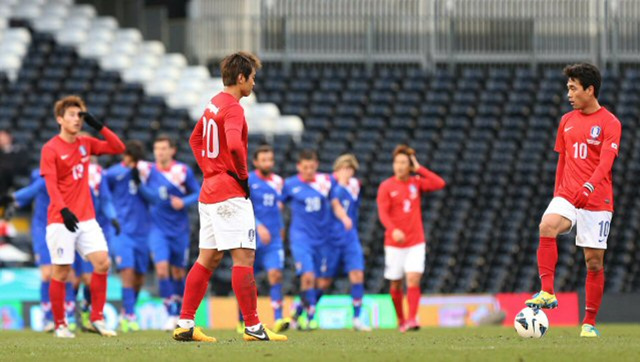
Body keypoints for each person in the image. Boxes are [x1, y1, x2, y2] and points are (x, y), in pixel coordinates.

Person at [172, 51, 287, 342]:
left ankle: (185, 323)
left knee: (207, 259)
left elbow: (194, 139)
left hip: (209, 190)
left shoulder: (214, 103)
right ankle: (252, 326)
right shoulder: (234, 108)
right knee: (244, 256)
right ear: (240, 78)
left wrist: (210, 167)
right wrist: (242, 175)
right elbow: (235, 145)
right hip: (228, 191)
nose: (253, 84)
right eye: (252, 78)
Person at [525, 63, 621, 338]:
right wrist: (558, 193)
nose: (568, 94)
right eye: (568, 88)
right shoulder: (566, 120)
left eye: (573, 88)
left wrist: (590, 186)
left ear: (589, 90)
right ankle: (547, 291)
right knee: (547, 226)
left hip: (597, 199)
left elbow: (606, 161)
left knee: (593, 263)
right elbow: (562, 160)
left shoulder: (610, 122)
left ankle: (588, 323)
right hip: (568, 194)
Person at [39, 95, 125, 338]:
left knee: (102, 263)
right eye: (72, 115)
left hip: (86, 218)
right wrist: (63, 209)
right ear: (60, 119)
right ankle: (60, 325)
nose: (77, 120)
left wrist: (98, 126)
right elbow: (51, 184)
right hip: (60, 219)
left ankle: (96, 318)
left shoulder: (86, 143)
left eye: (80, 115)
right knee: (61, 272)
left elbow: (118, 148)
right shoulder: (50, 148)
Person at [376, 145, 446, 332]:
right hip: (394, 243)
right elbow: (383, 213)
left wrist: (420, 169)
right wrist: (393, 230)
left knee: (413, 278)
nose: (399, 166)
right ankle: (401, 320)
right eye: (397, 162)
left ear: (409, 166)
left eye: (403, 163)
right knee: (396, 282)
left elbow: (439, 183)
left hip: (416, 241)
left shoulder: (416, 182)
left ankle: (412, 319)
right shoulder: (386, 186)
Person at [282, 150, 351, 331]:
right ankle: (311, 318)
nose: (308, 171)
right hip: (301, 237)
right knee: (308, 277)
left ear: (316, 166)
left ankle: (297, 311)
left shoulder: (325, 181)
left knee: (323, 283)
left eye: (312, 167)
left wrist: (345, 173)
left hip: (323, 238)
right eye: (305, 167)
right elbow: (278, 203)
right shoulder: (290, 184)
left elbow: (342, 179)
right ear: (299, 167)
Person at [137, 135, 200, 330]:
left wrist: (184, 202)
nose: (159, 152)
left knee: (178, 272)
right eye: (157, 149)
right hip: (157, 229)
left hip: (179, 229)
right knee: (162, 269)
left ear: (172, 150)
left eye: (163, 148)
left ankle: (182, 313)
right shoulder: (146, 170)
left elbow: (198, 192)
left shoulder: (182, 171)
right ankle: (170, 313)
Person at [1, 169, 77, 331]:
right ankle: (48, 317)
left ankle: (69, 314)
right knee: (47, 273)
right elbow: (32, 191)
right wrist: (14, 200)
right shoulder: (40, 176)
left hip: (64, 226)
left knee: (67, 272)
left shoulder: (71, 174)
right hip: (42, 228)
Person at [235, 144, 289, 333]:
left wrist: (281, 228)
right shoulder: (248, 181)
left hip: (273, 239)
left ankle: (278, 319)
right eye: (264, 159)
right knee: (247, 280)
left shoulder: (278, 182)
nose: (268, 163)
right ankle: (242, 320)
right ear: (256, 162)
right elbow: (243, 207)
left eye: (270, 159)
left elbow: (278, 208)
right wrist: (259, 225)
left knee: (276, 275)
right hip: (251, 238)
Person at [320, 154, 370, 331]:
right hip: (331, 240)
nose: (347, 173)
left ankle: (357, 318)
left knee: (357, 275)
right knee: (324, 281)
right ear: (337, 169)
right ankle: (305, 311)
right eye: (344, 169)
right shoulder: (329, 184)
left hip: (350, 238)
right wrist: (340, 184)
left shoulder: (355, 185)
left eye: (350, 170)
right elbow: (334, 202)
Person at [105, 140, 151, 333]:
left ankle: (127, 310)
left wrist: (140, 183)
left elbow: (153, 198)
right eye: (131, 160)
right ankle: (130, 316)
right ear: (125, 157)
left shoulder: (146, 173)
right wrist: (111, 218)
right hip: (121, 231)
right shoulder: (112, 174)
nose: (133, 164)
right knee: (127, 272)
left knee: (139, 278)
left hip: (142, 232)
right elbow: (104, 198)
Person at [75, 155, 121, 330]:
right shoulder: (70, 172)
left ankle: (90, 312)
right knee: (78, 277)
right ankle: (72, 313)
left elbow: (106, 199)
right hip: (76, 227)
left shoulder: (98, 174)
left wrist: (113, 218)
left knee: (97, 272)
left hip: (98, 228)